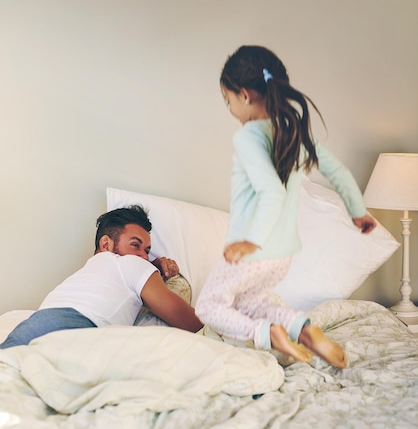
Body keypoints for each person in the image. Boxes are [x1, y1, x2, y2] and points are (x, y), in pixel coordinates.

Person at [195, 45, 376, 368]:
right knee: (251, 301)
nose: (230, 108)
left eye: (229, 101)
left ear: (245, 95)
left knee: (208, 307)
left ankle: (267, 334)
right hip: (283, 255)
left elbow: (271, 192)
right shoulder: (294, 131)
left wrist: (251, 241)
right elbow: (337, 171)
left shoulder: (249, 136)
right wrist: (357, 210)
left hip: (255, 249)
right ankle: (301, 328)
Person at [2, 205, 203, 348]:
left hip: (29, 326)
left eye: (148, 250)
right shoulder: (132, 265)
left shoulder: (84, 274)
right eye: (135, 245)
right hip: (77, 328)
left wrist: (153, 268)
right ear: (106, 244)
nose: (143, 255)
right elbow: (185, 319)